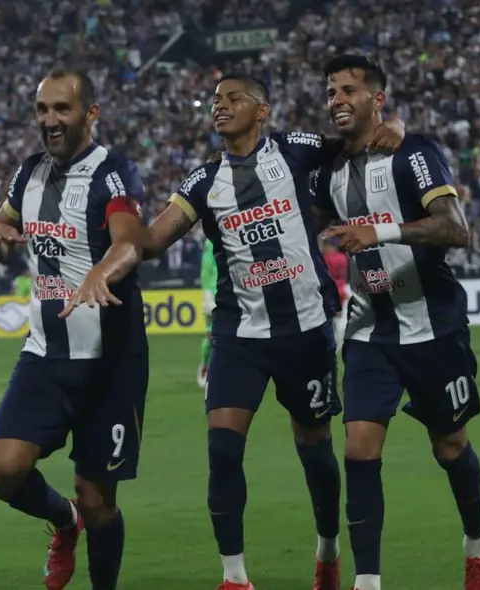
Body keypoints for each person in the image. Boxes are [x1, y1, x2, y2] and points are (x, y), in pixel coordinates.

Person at [78, 73, 404, 590]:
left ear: (263, 110)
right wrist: (114, 233)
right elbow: (154, 240)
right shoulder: (203, 183)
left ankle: (327, 550)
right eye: (215, 101)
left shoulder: (296, 151)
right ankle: (234, 577)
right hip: (238, 333)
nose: (220, 107)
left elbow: (360, 137)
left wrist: (397, 125)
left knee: (315, 447)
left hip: (304, 327)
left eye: (234, 99)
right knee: (224, 450)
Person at [313, 54, 480, 590]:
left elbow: (455, 229)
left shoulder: (414, 153)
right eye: (330, 92)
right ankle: (367, 582)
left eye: (349, 90)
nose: (337, 100)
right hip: (370, 330)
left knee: (450, 447)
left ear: (377, 98)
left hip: (432, 327)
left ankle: (476, 547)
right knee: (359, 450)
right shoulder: (328, 169)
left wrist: (379, 231)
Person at [0, 67, 148, 590]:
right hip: (45, 356)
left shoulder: (113, 171)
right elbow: (1, 226)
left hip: (108, 362)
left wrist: (100, 272)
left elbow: (130, 240)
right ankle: (62, 520)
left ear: (89, 114)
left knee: (99, 498)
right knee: (2, 470)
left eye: (62, 109)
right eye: (42, 110)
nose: (50, 120)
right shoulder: (28, 174)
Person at [321, 238, 350, 350]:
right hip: (343, 287)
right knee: (341, 319)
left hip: (332, 290)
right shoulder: (342, 257)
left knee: (332, 320)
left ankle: (336, 345)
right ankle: (340, 343)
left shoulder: (327, 258)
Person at [198, 237, 217, 388]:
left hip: (231, 292)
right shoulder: (211, 241)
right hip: (214, 294)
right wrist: (207, 293)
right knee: (211, 335)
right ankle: (204, 367)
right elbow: (206, 269)